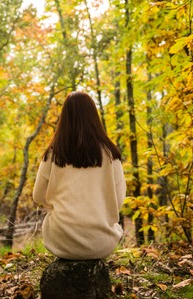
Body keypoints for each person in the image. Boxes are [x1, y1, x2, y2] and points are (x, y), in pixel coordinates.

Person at [33, 91, 126, 260]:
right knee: (115, 227)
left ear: (64, 118)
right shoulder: (111, 154)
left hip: (60, 240)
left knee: (50, 220)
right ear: (94, 117)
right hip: (101, 242)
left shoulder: (54, 153)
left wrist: (61, 204)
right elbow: (118, 201)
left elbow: (38, 196)